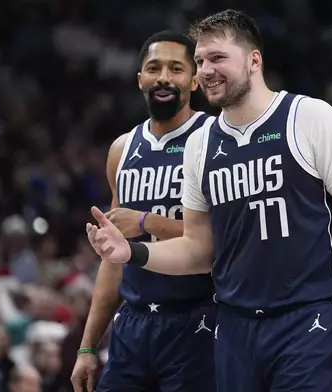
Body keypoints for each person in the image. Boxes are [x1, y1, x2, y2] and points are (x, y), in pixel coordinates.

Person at [86, 9, 332, 392]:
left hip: (309, 318)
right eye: (199, 61)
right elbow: (198, 250)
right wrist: (131, 253)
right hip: (232, 324)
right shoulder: (200, 144)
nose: (206, 70)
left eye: (217, 58)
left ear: (253, 60)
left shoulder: (310, 118)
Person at [70, 31, 215, 392]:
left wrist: (145, 222)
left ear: (194, 80)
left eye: (176, 68)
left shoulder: (215, 139)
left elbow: (224, 237)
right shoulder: (122, 149)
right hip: (132, 324)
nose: (164, 77)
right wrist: (88, 346)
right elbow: (112, 258)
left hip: (197, 319)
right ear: (140, 80)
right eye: (154, 68)